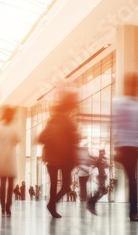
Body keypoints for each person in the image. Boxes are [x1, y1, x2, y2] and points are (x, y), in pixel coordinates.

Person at [108, 71, 138, 221]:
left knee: (131, 179)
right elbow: (115, 124)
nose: (137, 87)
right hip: (124, 146)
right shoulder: (120, 102)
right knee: (131, 179)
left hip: (133, 146)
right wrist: (116, 144)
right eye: (135, 84)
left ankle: (133, 212)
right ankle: (133, 212)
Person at [38, 90, 81, 218]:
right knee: (66, 184)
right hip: (62, 157)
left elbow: (42, 137)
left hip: (53, 157)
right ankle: (52, 204)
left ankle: (52, 204)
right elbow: (71, 139)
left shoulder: (55, 119)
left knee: (55, 184)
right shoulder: (65, 120)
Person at [0, 106, 21, 216]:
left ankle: (2, 206)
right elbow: (17, 140)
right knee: (10, 185)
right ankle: (8, 206)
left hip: (0, 158)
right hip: (10, 158)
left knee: (2, 184)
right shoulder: (13, 128)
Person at [86, 149, 110, 215]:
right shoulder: (98, 160)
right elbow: (94, 166)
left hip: (103, 177)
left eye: (103, 153)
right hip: (101, 177)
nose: (101, 154)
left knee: (104, 191)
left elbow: (106, 167)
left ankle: (91, 202)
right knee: (100, 191)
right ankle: (91, 203)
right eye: (101, 152)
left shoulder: (103, 160)